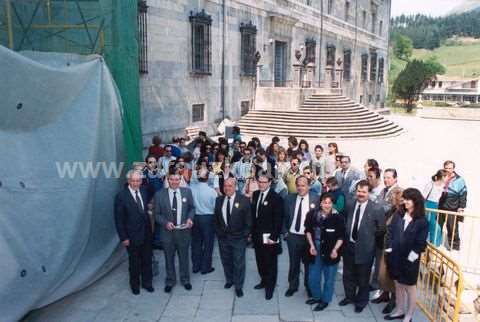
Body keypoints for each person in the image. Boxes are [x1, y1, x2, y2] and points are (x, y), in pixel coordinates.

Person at [339, 180, 386, 313]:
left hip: (366, 248)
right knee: (347, 274)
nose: (360, 194)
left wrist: (369, 238)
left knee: (363, 277)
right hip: (349, 246)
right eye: (359, 191)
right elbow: (345, 220)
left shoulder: (377, 209)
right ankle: (349, 297)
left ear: (369, 193)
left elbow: (381, 229)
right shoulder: (350, 204)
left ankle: (361, 302)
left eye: (364, 192)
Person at [384, 188, 428, 322]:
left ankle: (408, 315)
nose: (405, 202)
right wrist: (390, 247)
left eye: (408, 199)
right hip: (395, 257)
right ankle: (399, 310)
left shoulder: (422, 221)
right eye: (405, 199)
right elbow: (391, 231)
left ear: (416, 202)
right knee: (398, 285)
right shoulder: (399, 214)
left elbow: (420, 244)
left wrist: (410, 259)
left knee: (410, 288)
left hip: (410, 261)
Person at [154, 173, 195, 293]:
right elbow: (156, 214)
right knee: (168, 258)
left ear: (180, 180)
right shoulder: (159, 194)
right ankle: (170, 280)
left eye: (177, 179)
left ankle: (185, 279)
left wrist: (190, 218)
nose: (174, 182)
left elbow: (192, 208)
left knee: (184, 257)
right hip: (168, 232)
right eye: (172, 179)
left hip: (183, 231)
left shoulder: (187, 192)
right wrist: (165, 223)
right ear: (168, 180)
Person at [114, 170, 153, 295]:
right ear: (128, 181)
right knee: (134, 262)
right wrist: (123, 237)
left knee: (147, 259)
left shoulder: (144, 191)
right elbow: (118, 219)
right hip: (131, 236)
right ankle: (134, 285)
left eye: (138, 181)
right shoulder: (121, 196)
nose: (136, 183)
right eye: (133, 181)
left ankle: (147, 283)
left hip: (146, 233)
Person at [304, 193, 345, 311]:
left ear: (333, 204)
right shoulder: (312, 214)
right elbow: (308, 231)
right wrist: (311, 245)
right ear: (320, 202)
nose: (327, 205)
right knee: (313, 277)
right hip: (315, 248)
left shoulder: (338, 218)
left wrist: (335, 250)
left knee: (329, 278)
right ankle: (316, 297)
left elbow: (341, 236)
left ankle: (325, 300)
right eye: (324, 202)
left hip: (331, 250)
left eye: (329, 203)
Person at [214, 178, 252, 297]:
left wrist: (244, 236)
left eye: (230, 186)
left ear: (235, 187)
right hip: (223, 238)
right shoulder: (219, 200)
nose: (227, 188)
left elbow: (249, 221)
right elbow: (216, 219)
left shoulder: (244, 200)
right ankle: (229, 280)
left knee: (239, 263)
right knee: (226, 260)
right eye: (225, 186)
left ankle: (239, 286)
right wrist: (219, 233)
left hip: (238, 238)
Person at [283, 176, 320, 297]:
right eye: (298, 185)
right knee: (294, 263)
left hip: (308, 238)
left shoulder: (316, 199)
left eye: (303, 185)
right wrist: (285, 232)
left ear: (308, 186)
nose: (300, 187)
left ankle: (308, 286)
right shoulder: (289, 198)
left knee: (309, 264)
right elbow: (283, 217)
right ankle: (293, 286)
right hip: (293, 236)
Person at [251, 172, 284, 300]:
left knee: (270, 262)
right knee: (260, 261)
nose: (261, 184)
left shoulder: (276, 198)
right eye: (259, 181)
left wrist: (274, 237)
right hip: (257, 236)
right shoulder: (255, 194)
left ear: (270, 183)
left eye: (264, 182)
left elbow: (278, 219)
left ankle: (270, 287)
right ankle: (263, 281)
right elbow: (254, 216)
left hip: (270, 237)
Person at [373, 186, 404, 315]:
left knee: (392, 276)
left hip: (394, 249)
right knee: (383, 274)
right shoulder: (392, 210)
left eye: (392, 197)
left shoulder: (402, 213)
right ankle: (384, 294)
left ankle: (393, 300)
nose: (390, 198)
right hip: (384, 245)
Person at [190, 169, 218, 275]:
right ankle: (205, 267)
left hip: (195, 217)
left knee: (196, 243)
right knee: (208, 243)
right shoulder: (212, 191)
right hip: (208, 218)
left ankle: (196, 266)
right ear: (207, 178)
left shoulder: (191, 189)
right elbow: (215, 207)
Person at [438, 160, 467, 251]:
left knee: (453, 229)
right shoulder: (441, 177)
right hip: (440, 207)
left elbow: (463, 194)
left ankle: (454, 249)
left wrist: (461, 207)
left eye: (450, 168)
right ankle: (436, 246)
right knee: (437, 228)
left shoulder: (460, 180)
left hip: (452, 208)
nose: (448, 170)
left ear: (453, 169)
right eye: (446, 168)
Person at [422, 169, 447, 247]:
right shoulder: (431, 184)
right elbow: (423, 197)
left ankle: (432, 245)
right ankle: (432, 245)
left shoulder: (442, 186)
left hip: (435, 207)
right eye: (445, 177)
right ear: (442, 177)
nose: (446, 178)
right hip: (428, 206)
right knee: (435, 227)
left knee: (432, 227)